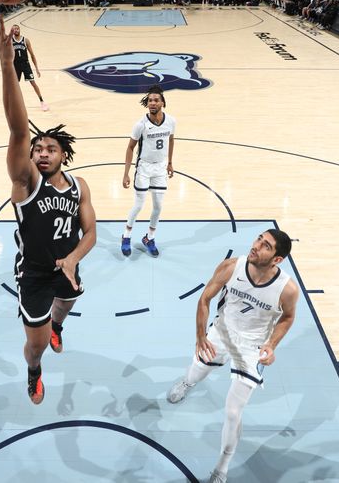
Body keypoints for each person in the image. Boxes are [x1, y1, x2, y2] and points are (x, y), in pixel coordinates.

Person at [0, 12, 96, 404]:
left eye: (51, 148)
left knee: (63, 308)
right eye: (38, 149)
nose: (42, 152)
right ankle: (33, 372)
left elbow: (92, 233)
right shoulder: (27, 184)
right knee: (35, 346)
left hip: (68, 267)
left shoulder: (79, 186)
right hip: (32, 274)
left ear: (65, 155)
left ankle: (58, 327)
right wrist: (6, 67)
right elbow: (18, 128)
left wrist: (72, 260)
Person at [167, 230, 299, 483]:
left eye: (266, 246)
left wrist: (272, 345)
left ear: (277, 260)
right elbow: (205, 298)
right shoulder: (231, 267)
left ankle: (222, 468)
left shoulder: (288, 289)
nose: (256, 246)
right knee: (196, 370)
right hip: (222, 332)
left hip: (253, 347)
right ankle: (188, 383)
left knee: (232, 412)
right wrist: (200, 336)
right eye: (259, 239)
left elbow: (288, 317)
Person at [120, 85, 175, 257]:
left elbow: (171, 140)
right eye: (150, 100)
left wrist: (170, 163)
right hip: (144, 167)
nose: (152, 103)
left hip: (160, 167)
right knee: (138, 205)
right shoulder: (140, 125)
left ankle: (149, 238)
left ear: (163, 103)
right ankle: (126, 236)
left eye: (156, 100)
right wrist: (126, 172)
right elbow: (130, 148)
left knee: (158, 206)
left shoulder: (171, 121)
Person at [10, 24, 49, 112]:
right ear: (12, 31)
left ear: (19, 29)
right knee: (15, 86)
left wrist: (37, 68)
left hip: (25, 64)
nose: (16, 30)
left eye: (17, 28)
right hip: (16, 65)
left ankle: (42, 102)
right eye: (14, 29)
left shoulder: (25, 40)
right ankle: (14, 103)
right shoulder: (10, 41)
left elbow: (32, 55)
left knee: (33, 83)